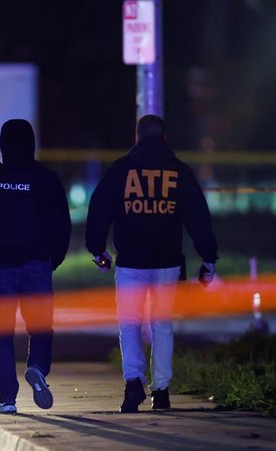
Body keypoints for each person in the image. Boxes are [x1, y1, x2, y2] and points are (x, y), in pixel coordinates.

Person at [85, 114, 217, 413]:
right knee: (162, 325)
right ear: (165, 137)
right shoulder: (179, 172)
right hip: (167, 262)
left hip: (130, 261)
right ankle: (161, 391)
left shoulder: (122, 170)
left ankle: (133, 384)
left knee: (129, 324)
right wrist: (208, 257)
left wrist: (98, 249)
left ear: (137, 137)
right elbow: (198, 217)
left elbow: (100, 208)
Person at [0, 119, 72, 414]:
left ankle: (7, 399)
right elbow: (62, 223)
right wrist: (52, 259)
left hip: (0, 268)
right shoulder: (45, 178)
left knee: (2, 333)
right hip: (36, 265)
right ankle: (37, 366)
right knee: (40, 326)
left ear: (2, 145)